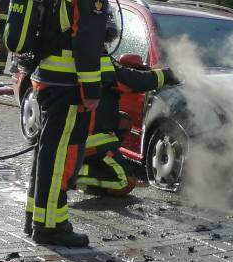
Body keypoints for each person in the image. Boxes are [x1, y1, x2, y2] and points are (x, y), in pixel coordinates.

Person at [25, 0, 122, 247]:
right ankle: (51, 226)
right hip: (68, 84)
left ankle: (35, 217)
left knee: (44, 151)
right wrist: (91, 88)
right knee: (59, 156)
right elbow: (88, 40)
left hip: (45, 76)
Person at [75, 12, 180, 196]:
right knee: (126, 182)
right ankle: (73, 174)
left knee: (123, 121)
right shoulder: (96, 59)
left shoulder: (89, 53)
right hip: (88, 136)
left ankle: (93, 168)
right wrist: (168, 75)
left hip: (87, 129)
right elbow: (132, 81)